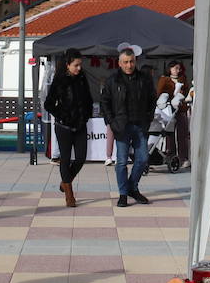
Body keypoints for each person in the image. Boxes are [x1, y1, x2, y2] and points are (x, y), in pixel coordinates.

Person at [98, 45, 153, 206]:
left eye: (131, 61)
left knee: (142, 159)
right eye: (126, 62)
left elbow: (152, 99)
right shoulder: (112, 80)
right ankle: (123, 193)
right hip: (121, 127)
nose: (129, 65)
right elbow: (104, 102)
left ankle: (132, 188)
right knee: (121, 162)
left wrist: (148, 118)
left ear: (135, 61)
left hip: (140, 125)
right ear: (119, 63)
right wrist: (111, 122)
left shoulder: (144, 79)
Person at [42, 48, 91, 207]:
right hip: (63, 127)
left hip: (80, 125)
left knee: (81, 158)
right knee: (65, 158)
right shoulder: (60, 80)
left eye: (80, 65)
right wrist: (63, 115)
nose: (79, 68)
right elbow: (48, 104)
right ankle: (69, 195)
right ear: (68, 65)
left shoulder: (82, 78)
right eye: (76, 65)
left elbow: (89, 99)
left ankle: (65, 182)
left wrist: (86, 114)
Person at [156, 60, 191, 167]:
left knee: (182, 134)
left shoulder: (183, 78)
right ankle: (171, 156)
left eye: (179, 68)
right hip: (168, 110)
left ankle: (183, 157)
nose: (177, 70)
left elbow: (187, 92)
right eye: (175, 68)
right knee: (169, 134)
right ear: (170, 69)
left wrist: (181, 95)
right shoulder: (164, 79)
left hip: (180, 109)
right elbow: (159, 93)